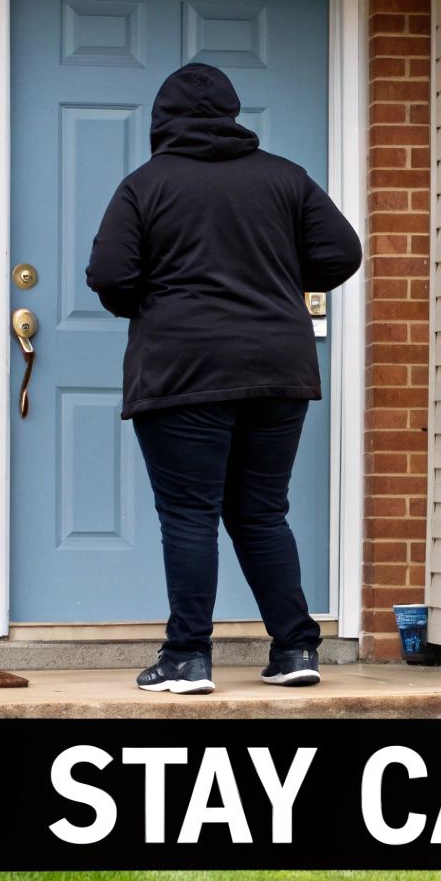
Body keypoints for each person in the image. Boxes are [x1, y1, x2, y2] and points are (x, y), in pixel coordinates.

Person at [85, 63, 363, 695]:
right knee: (262, 512)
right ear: (234, 115)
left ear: (162, 122)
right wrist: (281, 282)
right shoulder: (285, 179)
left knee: (189, 514)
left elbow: (109, 274)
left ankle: (186, 657)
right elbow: (343, 252)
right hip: (278, 369)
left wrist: (151, 305)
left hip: (183, 370)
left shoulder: (145, 186)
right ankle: (295, 649)